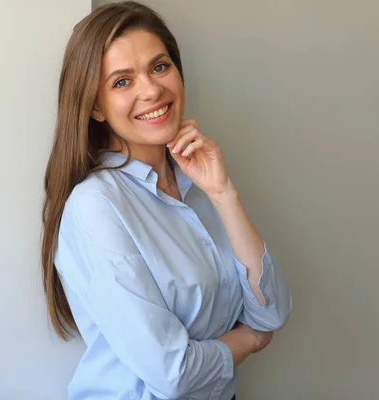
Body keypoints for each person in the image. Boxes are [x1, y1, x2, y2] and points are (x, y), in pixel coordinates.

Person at [41, 2, 292, 399]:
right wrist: (250, 342)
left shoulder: (199, 184)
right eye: (122, 82)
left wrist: (223, 193)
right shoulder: (96, 206)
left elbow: (271, 311)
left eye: (160, 67)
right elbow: (173, 373)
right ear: (94, 106)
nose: (152, 90)